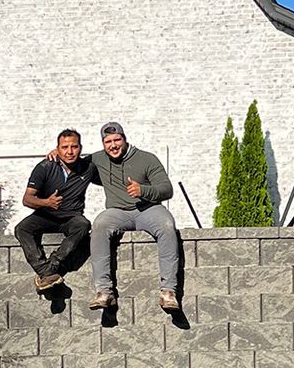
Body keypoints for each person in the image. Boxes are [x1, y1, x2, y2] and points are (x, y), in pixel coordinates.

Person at [84, 121, 181, 312]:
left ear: (125, 139)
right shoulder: (96, 159)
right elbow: (72, 162)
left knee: (167, 224)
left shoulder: (147, 159)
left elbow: (166, 189)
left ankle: (169, 291)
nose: (113, 145)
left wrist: (143, 190)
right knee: (100, 224)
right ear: (103, 144)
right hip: (118, 212)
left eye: (117, 140)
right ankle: (104, 292)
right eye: (108, 141)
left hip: (148, 209)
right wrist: (55, 155)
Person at [15, 129, 93, 290]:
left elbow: (108, 157)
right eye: (64, 147)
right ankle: (44, 271)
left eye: (74, 147)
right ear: (57, 149)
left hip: (71, 217)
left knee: (83, 225)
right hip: (45, 215)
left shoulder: (89, 167)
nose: (70, 152)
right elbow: (27, 199)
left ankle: (51, 267)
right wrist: (46, 202)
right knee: (22, 228)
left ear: (81, 148)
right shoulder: (44, 167)